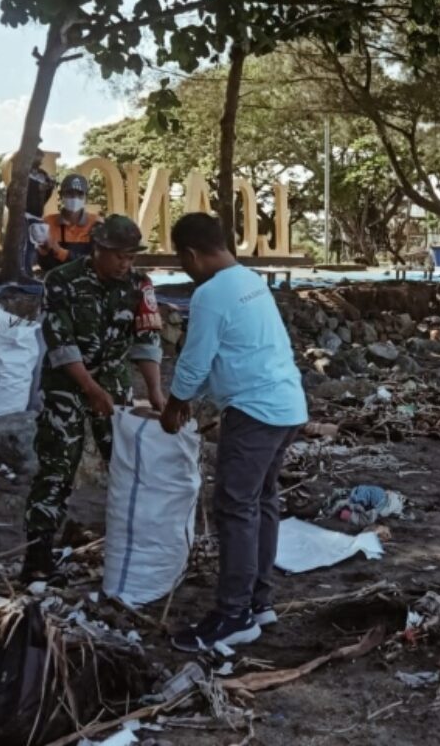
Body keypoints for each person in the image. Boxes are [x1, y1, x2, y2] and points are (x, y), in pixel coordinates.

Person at [159, 214, 308, 652]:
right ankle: (259, 602)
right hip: (286, 407)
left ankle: (233, 615)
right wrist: (196, 398)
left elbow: (195, 359)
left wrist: (174, 405)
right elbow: (229, 352)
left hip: (255, 413)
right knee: (261, 502)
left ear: (190, 255)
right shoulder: (250, 281)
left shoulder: (211, 293)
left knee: (235, 507)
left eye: (182, 263)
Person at [21, 216, 165, 581]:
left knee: (126, 466)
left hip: (114, 385)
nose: (125, 264)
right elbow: (61, 343)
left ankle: (130, 550)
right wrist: (91, 390)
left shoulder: (139, 285)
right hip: (67, 386)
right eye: (119, 256)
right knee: (57, 467)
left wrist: (156, 392)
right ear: (98, 249)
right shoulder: (62, 281)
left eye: (131, 257)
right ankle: (37, 559)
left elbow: (147, 341)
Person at [34, 174, 102, 272]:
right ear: (61, 195)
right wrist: (43, 252)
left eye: (80, 194)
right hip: (56, 280)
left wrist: (59, 251)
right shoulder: (47, 222)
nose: (75, 198)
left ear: (86, 197)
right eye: (70, 193)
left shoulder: (96, 223)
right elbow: (45, 265)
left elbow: (95, 262)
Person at [23, 149, 57, 277]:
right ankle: (24, 271)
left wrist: (48, 189)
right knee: (24, 245)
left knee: (33, 246)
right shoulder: (22, 174)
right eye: (36, 157)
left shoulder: (43, 175)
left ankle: (29, 271)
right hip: (24, 215)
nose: (39, 160)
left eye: (40, 158)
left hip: (36, 215)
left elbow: (45, 197)